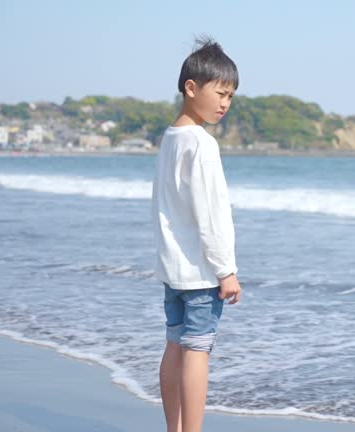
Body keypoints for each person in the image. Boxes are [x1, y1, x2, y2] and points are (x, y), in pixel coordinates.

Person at [151, 36, 242, 432]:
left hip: (173, 269)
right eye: (220, 93)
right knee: (197, 351)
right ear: (191, 87)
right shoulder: (202, 145)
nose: (225, 104)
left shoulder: (170, 139)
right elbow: (211, 215)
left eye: (231, 97)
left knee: (175, 346)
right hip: (202, 273)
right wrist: (226, 270)